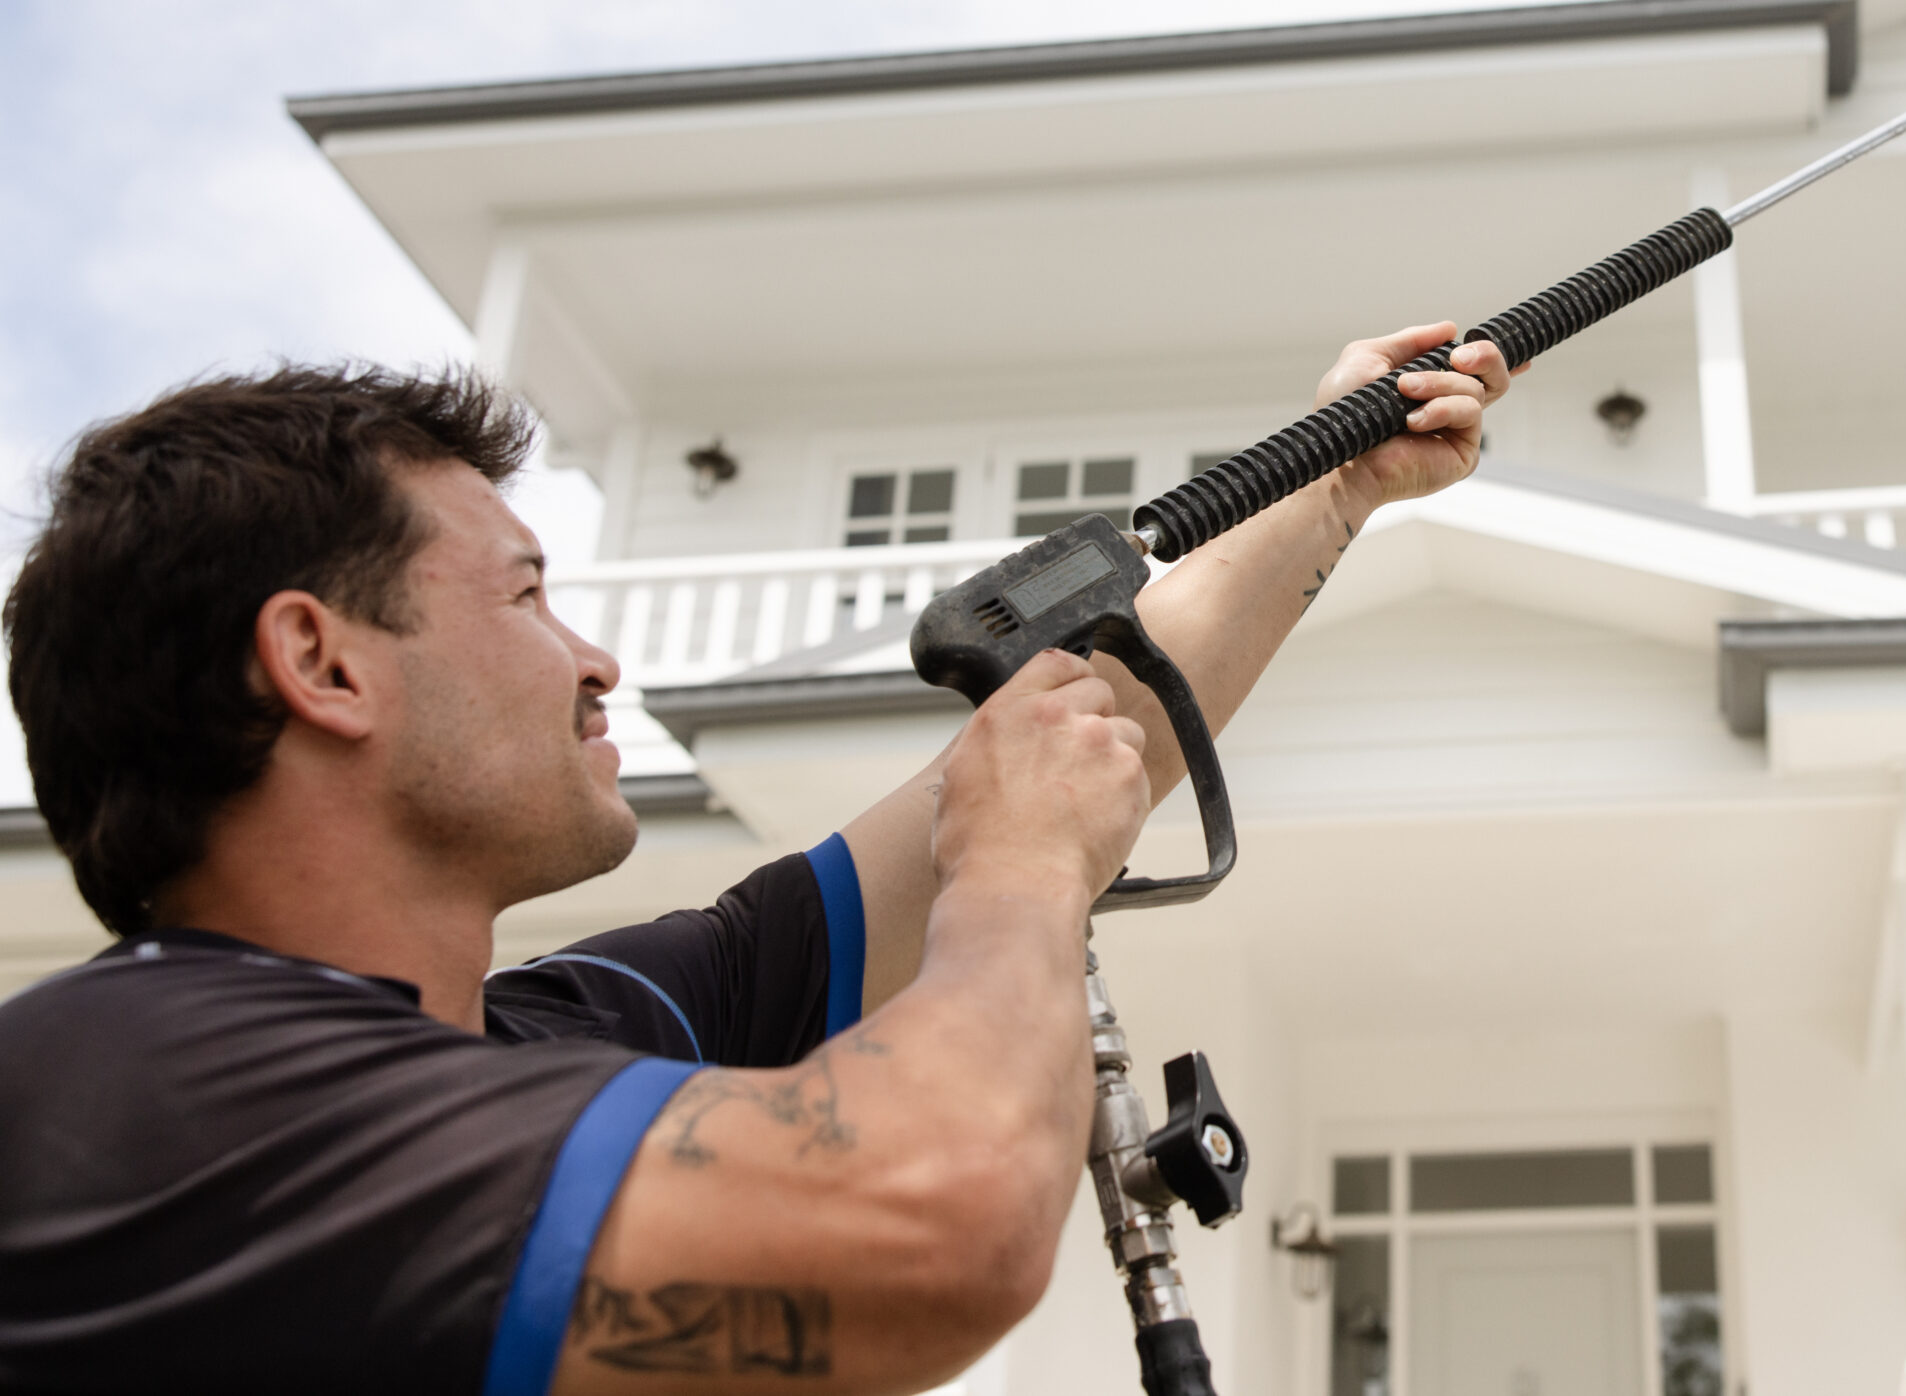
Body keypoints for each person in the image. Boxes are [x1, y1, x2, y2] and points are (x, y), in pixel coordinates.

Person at [0, 326, 1516, 1396]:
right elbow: (934, 1216)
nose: (592, 660)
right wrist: (1025, 875)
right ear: (320, 664)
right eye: (527, 595)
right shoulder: (131, 1092)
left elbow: (1059, 760)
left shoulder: (551, 1031)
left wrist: (1333, 483)